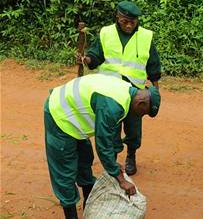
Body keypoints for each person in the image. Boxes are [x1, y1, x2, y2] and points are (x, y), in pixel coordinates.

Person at [44, 74, 161, 219]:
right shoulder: (113, 105)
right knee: (65, 171)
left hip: (76, 119)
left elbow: (112, 136)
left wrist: (114, 164)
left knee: (85, 159)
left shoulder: (127, 94)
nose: (140, 116)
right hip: (59, 115)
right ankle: (71, 214)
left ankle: (89, 205)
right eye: (143, 113)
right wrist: (121, 180)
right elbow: (103, 145)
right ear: (141, 103)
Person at [78, 1, 161, 175]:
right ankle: (113, 160)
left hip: (135, 93)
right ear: (117, 17)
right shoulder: (106, 33)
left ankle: (131, 155)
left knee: (133, 127)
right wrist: (87, 60)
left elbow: (153, 65)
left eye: (133, 21)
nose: (129, 25)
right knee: (111, 127)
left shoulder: (146, 36)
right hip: (109, 92)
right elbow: (95, 57)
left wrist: (155, 90)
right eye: (125, 21)